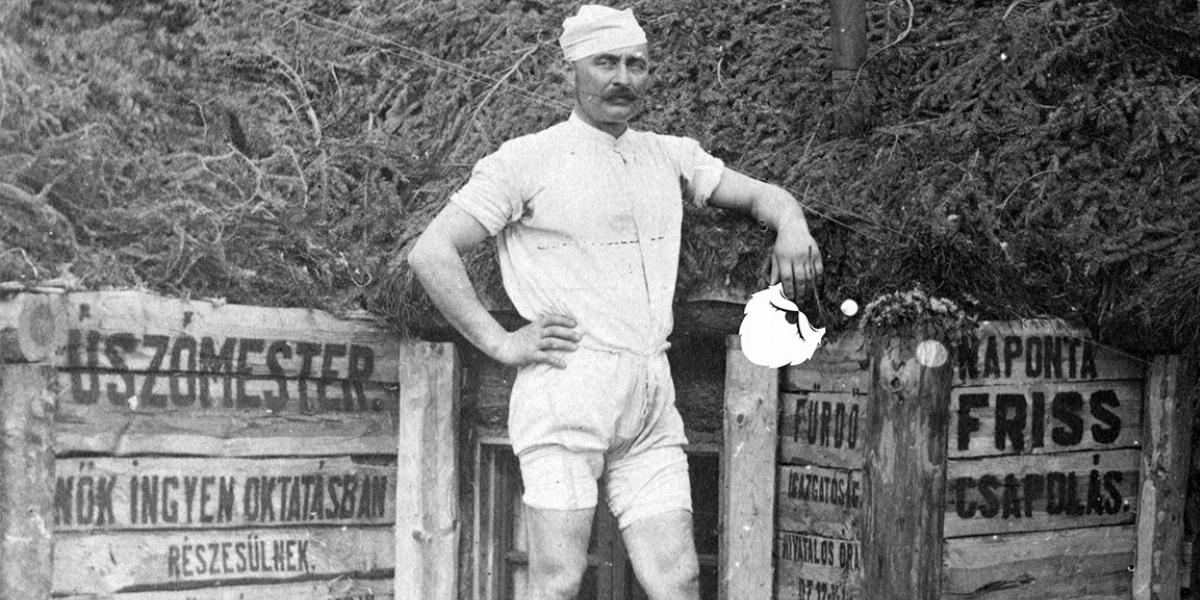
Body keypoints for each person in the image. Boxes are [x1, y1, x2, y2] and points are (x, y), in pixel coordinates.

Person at [408, 5, 822, 599]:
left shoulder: (668, 155)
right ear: (570, 73)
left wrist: (792, 223)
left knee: (677, 577)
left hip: (649, 390)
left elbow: (761, 197)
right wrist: (501, 342)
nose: (622, 78)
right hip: (567, 387)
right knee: (557, 580)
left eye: (636, 64)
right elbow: (432, 252)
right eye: (605, 62)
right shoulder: (526, 159)